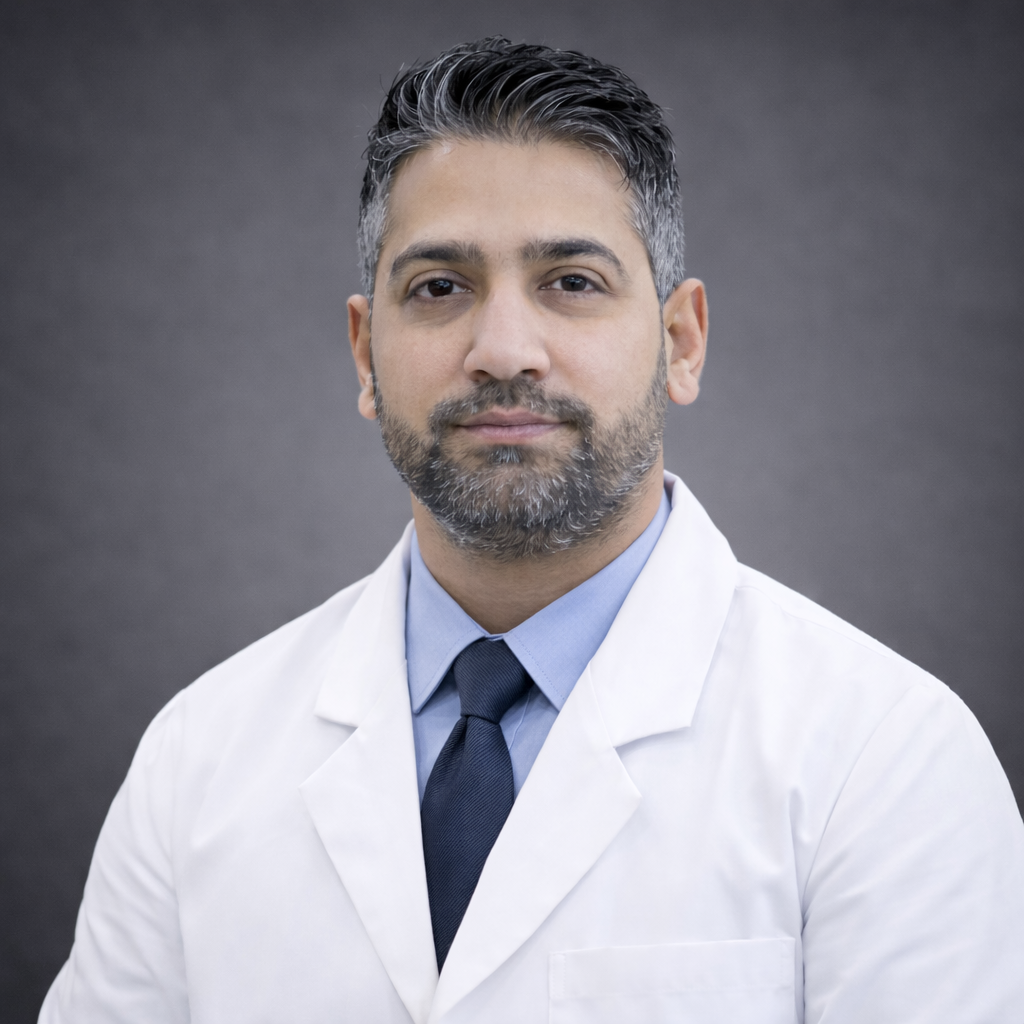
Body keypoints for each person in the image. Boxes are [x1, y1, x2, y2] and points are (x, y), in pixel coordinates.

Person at [40, 37, 1024, 1024]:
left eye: (571, 281)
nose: (503, 350)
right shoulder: (196, 761)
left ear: (680, 343)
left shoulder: (886, 762)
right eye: (439, 287)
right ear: (365, 355)